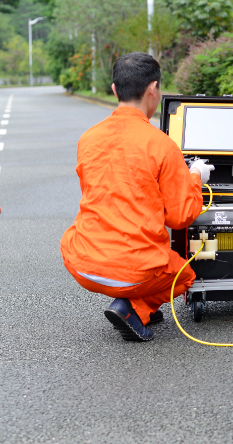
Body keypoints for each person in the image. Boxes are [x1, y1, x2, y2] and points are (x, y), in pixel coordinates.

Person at [60, 52, 214, 342]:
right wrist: (196, 177)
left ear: (114, 89)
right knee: (185, 275)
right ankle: (133, 308)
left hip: (82, 263)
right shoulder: (162, 145)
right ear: (153, 89)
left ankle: (135, 300)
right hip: (133, 271)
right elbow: (180, 217)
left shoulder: (88, 138)